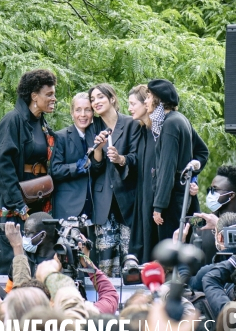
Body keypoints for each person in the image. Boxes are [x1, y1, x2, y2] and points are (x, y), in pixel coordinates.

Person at [0, 69, 57, 275]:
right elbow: (2, 165)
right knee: (8, 258)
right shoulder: (13, 120)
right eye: (49, 94)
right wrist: (19, 204)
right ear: (34, 96)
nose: (54, 98)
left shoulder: (42, 123)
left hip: (35, 199)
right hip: (13, 202)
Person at [144, 79, 209, 241]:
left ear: (158, 99)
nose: (145, 101)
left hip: (172, 203)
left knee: (170, 251)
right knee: (187, 246)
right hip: (183, 196)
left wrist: (158, 206)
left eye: (148, 97)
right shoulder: (180, 119)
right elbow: (202, 152)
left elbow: (167, 168)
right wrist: (190, 173)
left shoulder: (170, 125)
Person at [88, 83, 141, 276]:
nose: (96, 102)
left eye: (100, 97)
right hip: (103, 200)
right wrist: (99, 150)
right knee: (106, 259)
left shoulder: (131, 124)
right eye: (92, 99)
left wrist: (120, 159)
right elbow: (94, 167)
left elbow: (137, 158)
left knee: (130, 256)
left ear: (112, 99)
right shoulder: (93, 127)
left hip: (128, 196)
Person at [51, 92, 95, 220]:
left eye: (87, 110)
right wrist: (78, 167)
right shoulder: (61, 136)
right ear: (72, 113)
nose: (83, 115)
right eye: (78, 110)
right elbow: (55, 170)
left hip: (95, 207)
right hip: (68, 206)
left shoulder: (98, 136)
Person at [127, 84, 158, 263]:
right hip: (143, 199)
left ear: (146, 103)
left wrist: (193, 178)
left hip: (158, 201)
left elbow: (199, 152)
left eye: (133, 103)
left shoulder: (164, 129)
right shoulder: (141, 130)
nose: (130, 108)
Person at [195, 165, 236, 263]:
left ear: (231, 195)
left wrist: (219, 225)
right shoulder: (204, 223)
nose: (210, 194)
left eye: (215, 190)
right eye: (209, 189)